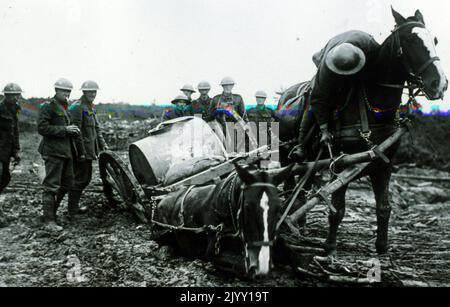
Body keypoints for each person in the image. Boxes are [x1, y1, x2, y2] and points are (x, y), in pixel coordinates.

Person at [289, 31, 380, 161]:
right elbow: (317, 99)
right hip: (323, 57)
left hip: (362, 57)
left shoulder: (372, 47)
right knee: (312, 99)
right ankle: (301, 145)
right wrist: (324, 130)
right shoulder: (326, 69)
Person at [38, 78, 80, 231]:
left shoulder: (64, 108)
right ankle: (48, 221)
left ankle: (51, 214)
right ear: (56, 91)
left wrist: (72, 131)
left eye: (69, 91)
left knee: (67, 183)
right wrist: (65, 130)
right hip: (53, 152)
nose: (67, 94)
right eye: (64, 91)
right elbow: (42, 128)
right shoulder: (48, 106)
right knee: (51, 186)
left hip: (66, 152)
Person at [68, 80, 108, 217]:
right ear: (84, 92)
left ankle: (73, 207)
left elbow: (97, 129)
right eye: (90, 92)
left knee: (84, 178)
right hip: (81, 151)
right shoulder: (77, 107)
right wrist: (81, 153)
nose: (92, 94)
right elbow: (76, 132)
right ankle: (72, 209)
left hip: (89, 151)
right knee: (81, 179)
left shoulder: (90, 107)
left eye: (94, 91)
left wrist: (103, 145)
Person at [209, 77, 248, 153]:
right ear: (222, 86)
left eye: (230, 85)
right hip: (220, 127)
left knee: (235, 150)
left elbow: (243, 115)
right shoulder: (216, 99)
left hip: (234, 127)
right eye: (225, 85)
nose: (228, 87)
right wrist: (218, 110)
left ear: (233, 86)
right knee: (222, 149)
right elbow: (210, 115)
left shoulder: (238, 98)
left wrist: (244, 126)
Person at [0, 83, 22, 195]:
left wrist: (16, 151)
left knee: (5, 178)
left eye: (17, 95)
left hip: (7, 149)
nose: (15, 97)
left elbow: (15, 131)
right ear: (5, 95)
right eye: (12, 95)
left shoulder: (16, 109)